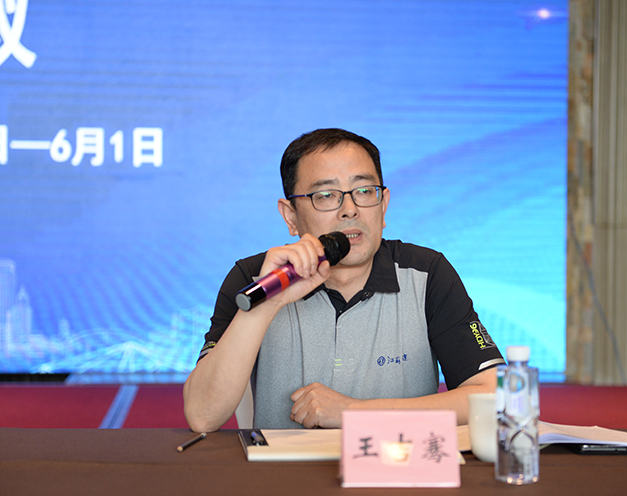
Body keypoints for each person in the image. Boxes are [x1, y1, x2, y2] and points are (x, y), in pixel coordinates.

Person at [183, 128, 504, 432]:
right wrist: (269, 302)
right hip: (283, 472)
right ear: (291, 216)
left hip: (398, 467)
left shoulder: (427, 273)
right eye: (326, 195)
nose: (350, 210)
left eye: (364, 191)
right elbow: (202, 416)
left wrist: (354, 413)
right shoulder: (256, 277)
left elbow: (494, 397)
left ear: (383, 205)